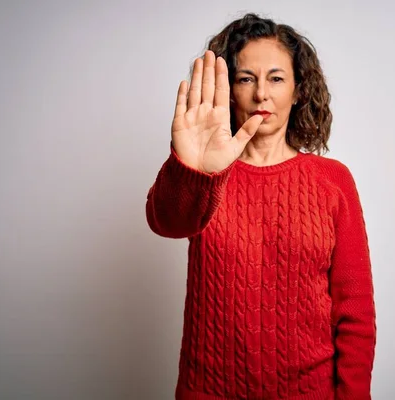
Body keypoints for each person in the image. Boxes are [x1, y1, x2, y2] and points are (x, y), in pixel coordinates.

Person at [146, 13, 376, 400]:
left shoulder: (333, 181)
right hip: (209, 391)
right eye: (246, 78)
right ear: (228, 90)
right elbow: (165, 222)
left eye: (276, 78)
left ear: (299, 90)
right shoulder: (205, 173)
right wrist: (190, 168)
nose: (261, 94)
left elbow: (355, 313)